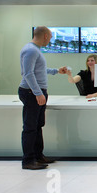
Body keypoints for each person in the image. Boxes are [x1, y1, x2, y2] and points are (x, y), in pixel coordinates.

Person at [19, 26, 68, 170]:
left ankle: (38, 156)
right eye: (51, 37)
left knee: (37, 126)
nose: (51, 40)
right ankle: (28, 160)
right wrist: (37, 93)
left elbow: (38, 70)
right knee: (30, 127)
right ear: (45, 36)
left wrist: (56, 71)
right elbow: (27, 74)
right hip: (31, 93)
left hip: (36, 92)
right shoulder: (31, 50)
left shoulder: (35, 50)